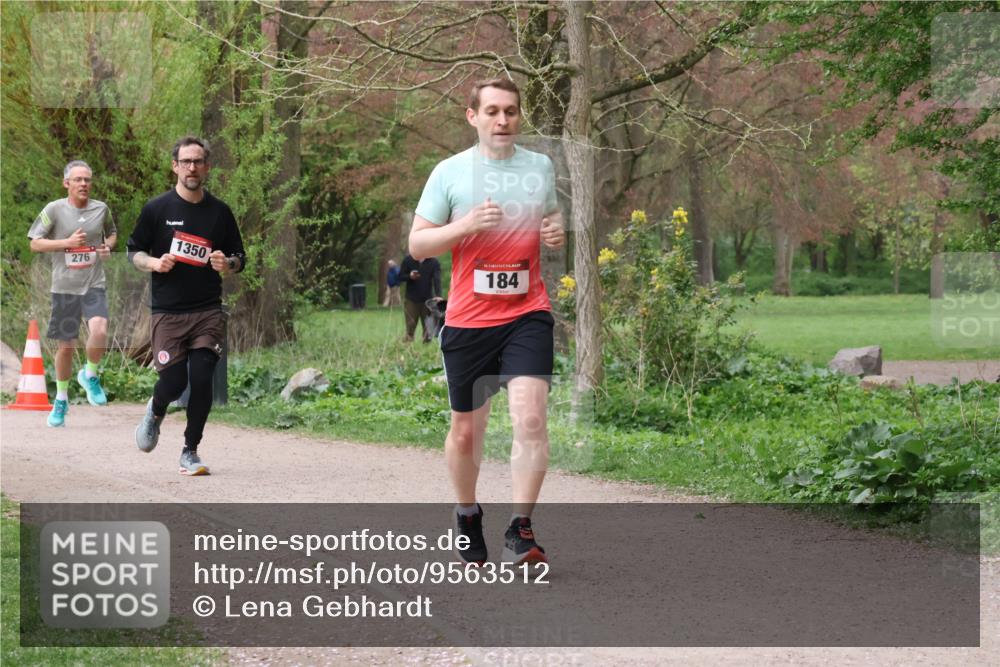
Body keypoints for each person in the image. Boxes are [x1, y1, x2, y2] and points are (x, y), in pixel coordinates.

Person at [409, 77, 565, 565]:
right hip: (470, 320)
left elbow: (551, 221)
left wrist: (555, 232)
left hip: (527, 313)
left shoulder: (540, 167)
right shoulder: (450, 172)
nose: (503, 120)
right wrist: (465, 226)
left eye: (512, 111)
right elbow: (418, 245)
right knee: (465, 433)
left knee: (531, 416)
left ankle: (520, 529)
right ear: (471, 116)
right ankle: (467, 512)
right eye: (493, 111)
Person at [127, 136, 245, 476]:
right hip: (168, 311)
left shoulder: (220, 212)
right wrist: (153, 264)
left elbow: (241, 257)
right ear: (175, 166)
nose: (192, 167)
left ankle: (190, 451)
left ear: (207, 167)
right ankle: (156, 408)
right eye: (186, 161)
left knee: (203, 378)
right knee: (175, 382)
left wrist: (228, 263)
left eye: (198, 161)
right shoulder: (157, 209)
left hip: (207, 309)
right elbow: (133, 251)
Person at [28, 160, 117, 428]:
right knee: (66, 347)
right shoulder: (54, 209)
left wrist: (106, 247)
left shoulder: (101, 209)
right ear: (66, 183)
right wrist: (65, 243)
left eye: (87, 180)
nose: (84, 184)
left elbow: (111, 234)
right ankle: (62, 398)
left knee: (100, 330)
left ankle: (90, 374)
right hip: (64, 287)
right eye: (78, 180)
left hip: (93, 283)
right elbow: (35, 243)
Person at [399, 253, 441, 343]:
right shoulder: (408, 259)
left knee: (428, 327)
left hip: (427, 300)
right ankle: (408, 346)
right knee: (410, 325)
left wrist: (438, 295)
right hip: (411, 299)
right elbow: (400, 276)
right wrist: (409, 276)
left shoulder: (434, 261)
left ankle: (426, 347)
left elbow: (437, 279)